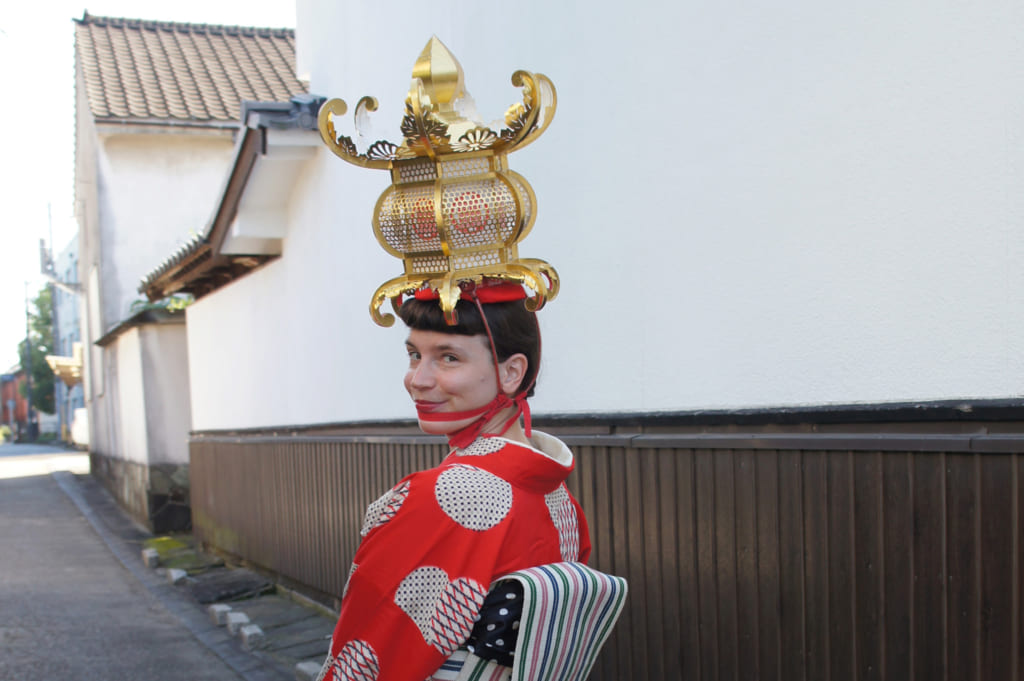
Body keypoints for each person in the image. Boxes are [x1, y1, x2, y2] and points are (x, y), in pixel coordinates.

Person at [318, 282, 591, 681]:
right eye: (414, 355)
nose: (418, 379)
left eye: (448, 358)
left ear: (512, 372)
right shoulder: (557, 496)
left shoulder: (440, 497)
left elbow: (371, 649)